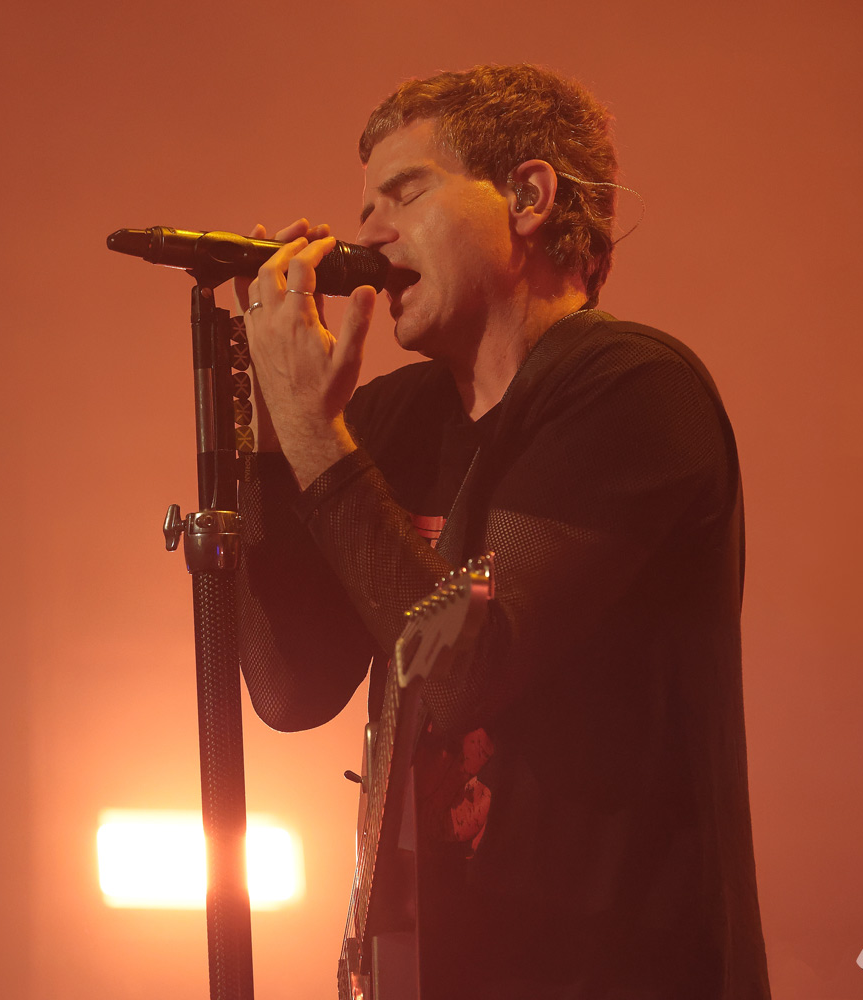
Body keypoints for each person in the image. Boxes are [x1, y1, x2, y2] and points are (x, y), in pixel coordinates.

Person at [232, 65, 772, 999]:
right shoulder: (397, 420)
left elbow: (458, 675)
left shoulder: (633, 388)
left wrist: (317, 434)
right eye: (365, 208)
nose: (369, 234)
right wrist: (279, 439)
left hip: (613, 976)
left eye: (406, 193)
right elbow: (289, 688)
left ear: (528, 196)